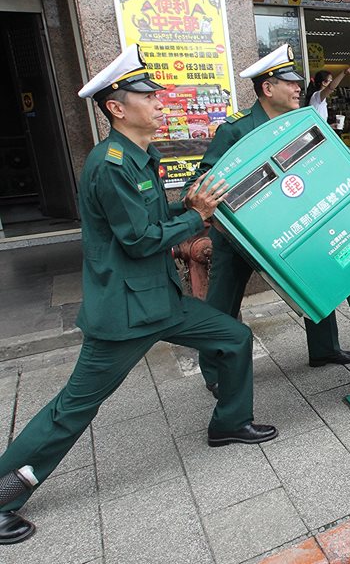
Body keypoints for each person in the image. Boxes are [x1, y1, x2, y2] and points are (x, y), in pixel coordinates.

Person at [0, 45, 278, 545]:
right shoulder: (109, 165)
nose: (159, 103)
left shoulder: (138, 157)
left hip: (158, 301)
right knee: (74, 409)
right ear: (116, 108)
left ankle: (230, 423)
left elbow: (151, 219)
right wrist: (198, 216)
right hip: (125, 313)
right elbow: (140, 239)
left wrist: (189, 205)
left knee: (233, 337)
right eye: (146, 97)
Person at [193, 45, 350, 394]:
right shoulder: (235, 130)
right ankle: (216, 373)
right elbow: (204, 180)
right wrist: (215, 215)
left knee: (318, 278)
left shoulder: (299, 121)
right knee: (223, 303)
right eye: (290, 83)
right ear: (267, 88)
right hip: (240, 239)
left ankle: (324, 350)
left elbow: (338, 153)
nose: (299, 89)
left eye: (298, 83)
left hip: (290, 225)